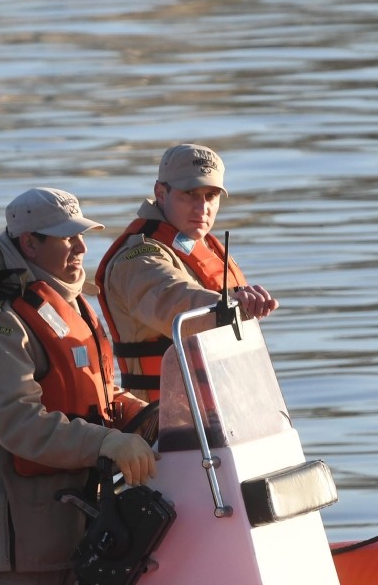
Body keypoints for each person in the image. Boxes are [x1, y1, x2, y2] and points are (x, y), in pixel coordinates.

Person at [0, 187, 157, 585]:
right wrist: (108, 442)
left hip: (76, 535)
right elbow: (17, 423)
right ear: (29, 243)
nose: (80, 247)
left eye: (81, 236)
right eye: (65, 238)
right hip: (21, 551)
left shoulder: (67, 299)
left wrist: (158, 419)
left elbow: (101, 393)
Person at [94, 143, 279, 401]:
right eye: (190, 194)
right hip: (167, 423)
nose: (202, 207)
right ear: (160, 192)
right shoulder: (136, 259)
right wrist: (230, 306)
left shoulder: (204, 246)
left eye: (211, 196)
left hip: (228, 411)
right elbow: (174, 300)